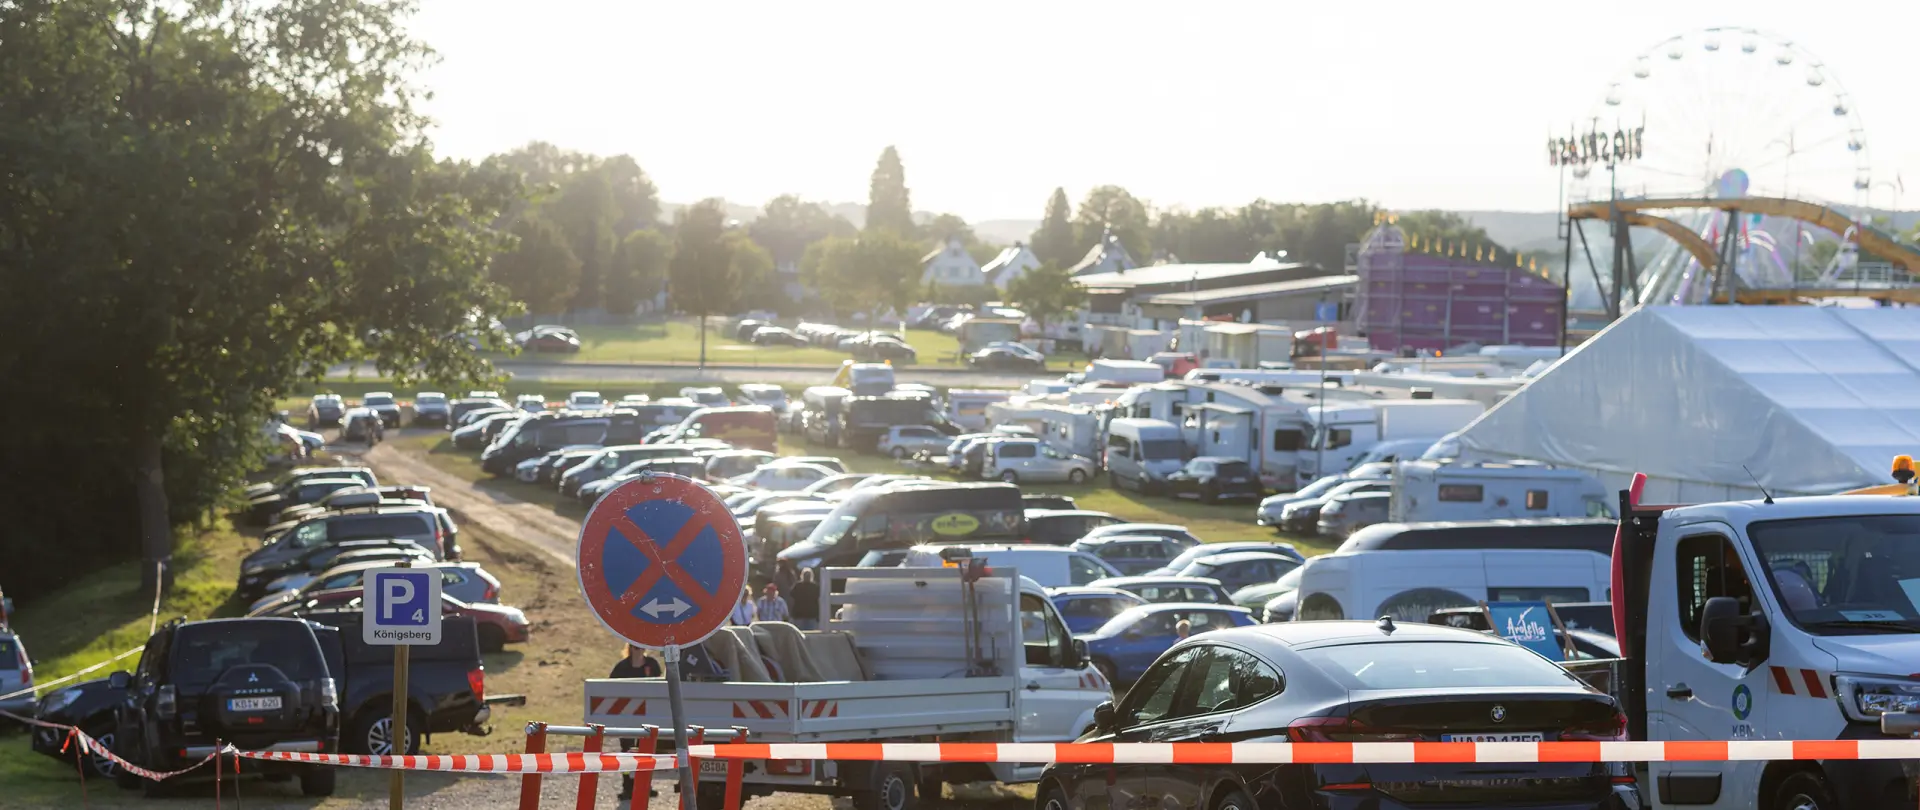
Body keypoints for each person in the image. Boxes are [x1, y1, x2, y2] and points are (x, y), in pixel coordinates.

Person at [609, 646, 662, 802]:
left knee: (646, 751)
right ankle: (627, 787)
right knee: (626, 752)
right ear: (630, 648)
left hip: (649, 717)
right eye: (635, 646)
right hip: (625, 719)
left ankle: (645, 786)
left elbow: (660, 686)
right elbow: (610, 688)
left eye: (640, 646)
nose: (638, 649)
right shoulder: (621, 667)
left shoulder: (652, 664)